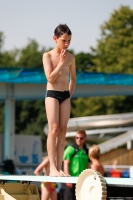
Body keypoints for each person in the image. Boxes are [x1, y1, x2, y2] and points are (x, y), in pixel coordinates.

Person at [42, 24, 76, 176]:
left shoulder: (71, 57)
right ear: (55, 39)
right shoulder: (47, 56)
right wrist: (61, 63)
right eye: (64, 40)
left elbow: (73, 79)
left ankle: (59, 167)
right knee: (54, 129)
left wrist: (69, 94)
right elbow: (50, 77)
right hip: (52, 94)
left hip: (64, 95)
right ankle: (52, 168)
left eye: (69, 40)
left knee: (63, 131)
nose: (67, 44)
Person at [63, 129, 90, 200]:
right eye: (77, 138)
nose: (78, 140)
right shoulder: (70, 149)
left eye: (81, 138)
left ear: (85, 139)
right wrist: (68, 179)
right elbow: (66, 164)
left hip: (82, 181)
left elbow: (89, 166)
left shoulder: (87, 151)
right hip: (71, 180)